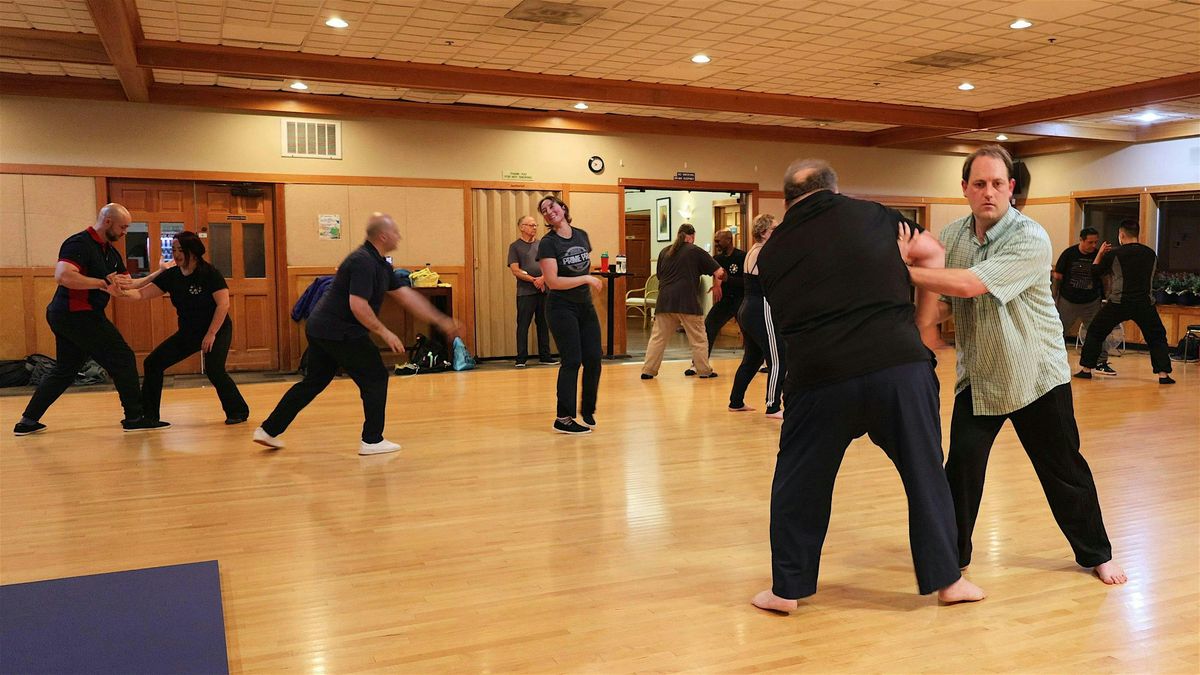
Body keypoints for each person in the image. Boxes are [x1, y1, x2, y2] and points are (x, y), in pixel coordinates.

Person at [751, 159, 984, 612]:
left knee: (799, 484)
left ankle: (787, 591)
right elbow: (933, 253)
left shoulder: (771, 250)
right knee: (924, 472)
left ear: (787, 200)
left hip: (818, 379)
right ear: (835, 189)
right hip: (896, 368)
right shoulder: (878, 217)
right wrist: (919, 328)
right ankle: (948, 582)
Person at [902, 144, 1126, 585]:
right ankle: (952, 559)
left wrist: (900, 270)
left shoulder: (1030, 237)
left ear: (1012, 189)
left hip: (1037, 376)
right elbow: (947, 302)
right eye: (980, 183)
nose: (989, 192)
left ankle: (1097, 553)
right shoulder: (953, 237)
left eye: (998, 184)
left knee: (1063, 471)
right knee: (961, 472)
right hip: (981, 377)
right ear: (964, 188)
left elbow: (969, 285)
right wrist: (922, 325)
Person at [254, 213, 458, 455]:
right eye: (395, 233)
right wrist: (386, 332)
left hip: (323, 329)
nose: (399, 237)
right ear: (383, 235)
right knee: (375, 377)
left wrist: (441, 319)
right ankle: (372, 440)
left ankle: (268, 430)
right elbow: (357, 305)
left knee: (314, 381)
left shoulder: (380, 263)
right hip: (340, 330)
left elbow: (406, 296)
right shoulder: (363, 261)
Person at [12, 203, 166, 435]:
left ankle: (27, 421)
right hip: (75, 313)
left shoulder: (110, 252)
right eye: (123, 227)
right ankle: (134, 418)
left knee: (66, 369)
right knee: (122, 357)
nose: (125, 232)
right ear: (107, 222)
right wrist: (103, 284)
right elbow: (63, 276)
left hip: (73, 315)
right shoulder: (79, 243)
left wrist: (161, 272)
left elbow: (128, 284)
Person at [123, 231, 250, 425]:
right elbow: (141, 294)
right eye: (174, 249)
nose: (176, 254)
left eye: (181, 250)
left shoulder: (209, 273)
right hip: (189, 333)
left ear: (193, 251)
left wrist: (211, 334)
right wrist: (120, 294)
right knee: (153, 363)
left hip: (217, 329)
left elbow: (223, 305)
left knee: (214, 370)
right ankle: (149, 417)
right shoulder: (172, 275)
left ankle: (238, 411)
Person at [1077, 220, 1174, 384]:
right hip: (1145, 303)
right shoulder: (1151, 254)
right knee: (1157, 337)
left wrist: (1100, 253)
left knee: (1095, 331)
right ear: (1137, 234)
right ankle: (1163, 375)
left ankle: (1086, 370)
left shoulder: (1114, 254)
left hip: (1118, 302)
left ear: (1121, 235)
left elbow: (1094, 272)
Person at [536, 195, 603, 435]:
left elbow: (582, 265)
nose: (548, 211)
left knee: (594, 357)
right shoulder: (548, 243)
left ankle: (587, 409)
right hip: (560, 308)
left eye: (551, 206)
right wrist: (585, 279)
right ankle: (563, 418)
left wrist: (586, 277)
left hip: (584, 306)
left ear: (562, 208)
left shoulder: (581, 235)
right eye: (544, 211)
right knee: (572, 360)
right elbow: (553, 282)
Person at [640, 224, 726, 379]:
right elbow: (719, 272)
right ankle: (704, 371)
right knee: (698, 339)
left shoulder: (664, 251)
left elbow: (660, 276)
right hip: (688, 302)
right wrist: (716, 286)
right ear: (691, 236)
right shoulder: (695, 251)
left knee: (658, 338)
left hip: (665, 301)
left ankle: (648, 370)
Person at [727, 214, 785, 418]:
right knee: (778, 358)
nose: (777, 232)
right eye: (774, 229)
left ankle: (736, 401)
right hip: (762, 307)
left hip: (748, 307)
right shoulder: (764, 252)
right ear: (764, 233)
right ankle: (773, 406)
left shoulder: (753, 250)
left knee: (753, 358)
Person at [1053, 227, 1117, 375]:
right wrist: (1054, 298)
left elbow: (1105, 278)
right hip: (1068, 300)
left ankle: (1101, 362)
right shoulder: (1069, 254)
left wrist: (1106, 297)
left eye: (1096, 242)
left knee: (1098, 332)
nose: (1093, 245)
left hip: (1091, 301)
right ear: (1081, 240)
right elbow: (1057, 276)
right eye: (1090, 242)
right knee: (1058, 331)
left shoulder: (1098, 255)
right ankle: (1055, 362)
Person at [685, 229, 745, 375]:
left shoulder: (742, 257)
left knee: (751, 331)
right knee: (708, 328)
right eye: (715, 240)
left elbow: (747, 282)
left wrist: (728, 280)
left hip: (742, 300)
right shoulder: (717, 258)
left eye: (718, 241)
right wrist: (717, 285)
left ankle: (764, 362)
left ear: (729, 240)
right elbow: (715, 273)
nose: (716, 243)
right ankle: (698, 364)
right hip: (725, 301)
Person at [507, 215, 555, 368]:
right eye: (530, 225)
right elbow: (515, 270)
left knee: (543, 323)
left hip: (543, 290)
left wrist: (543, 278)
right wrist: (534, 280)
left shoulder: (542, 245)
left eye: (535, 225)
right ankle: (521, 358)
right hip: (525, 292)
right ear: (522, 227)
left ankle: (545, 356)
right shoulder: (515, 247)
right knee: (523, 324)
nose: (534, 228)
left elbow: (550, 266)